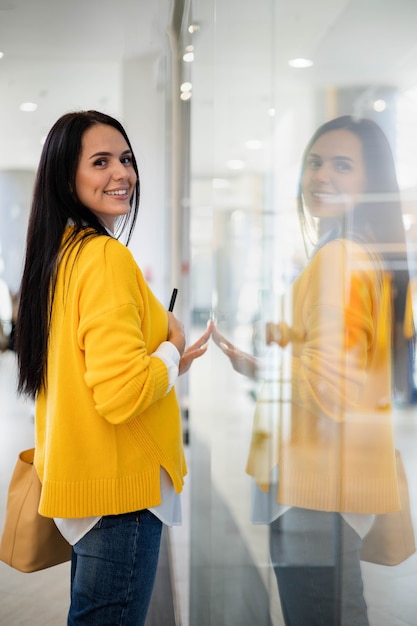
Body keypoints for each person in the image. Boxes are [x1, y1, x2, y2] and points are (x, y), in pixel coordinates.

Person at [212, 115, 414, 625]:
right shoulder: (354, 251)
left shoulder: (339, 257)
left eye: (343, 166)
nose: (321, 176)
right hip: (330, 478)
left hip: (314, 483)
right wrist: (263, 366)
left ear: (371, 182)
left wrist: (269, 371)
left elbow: (326, 388)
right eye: (314, 162)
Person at [14, 110, 211, 625]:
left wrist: (170, 363)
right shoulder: (104, 258)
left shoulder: (61, 255)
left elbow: (92, 375)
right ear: (66, 176)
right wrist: (171, 347)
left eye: (125, 159)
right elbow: (121, 395)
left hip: (86, 483)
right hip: (120, 492)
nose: (121, 173)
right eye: (100, 162)